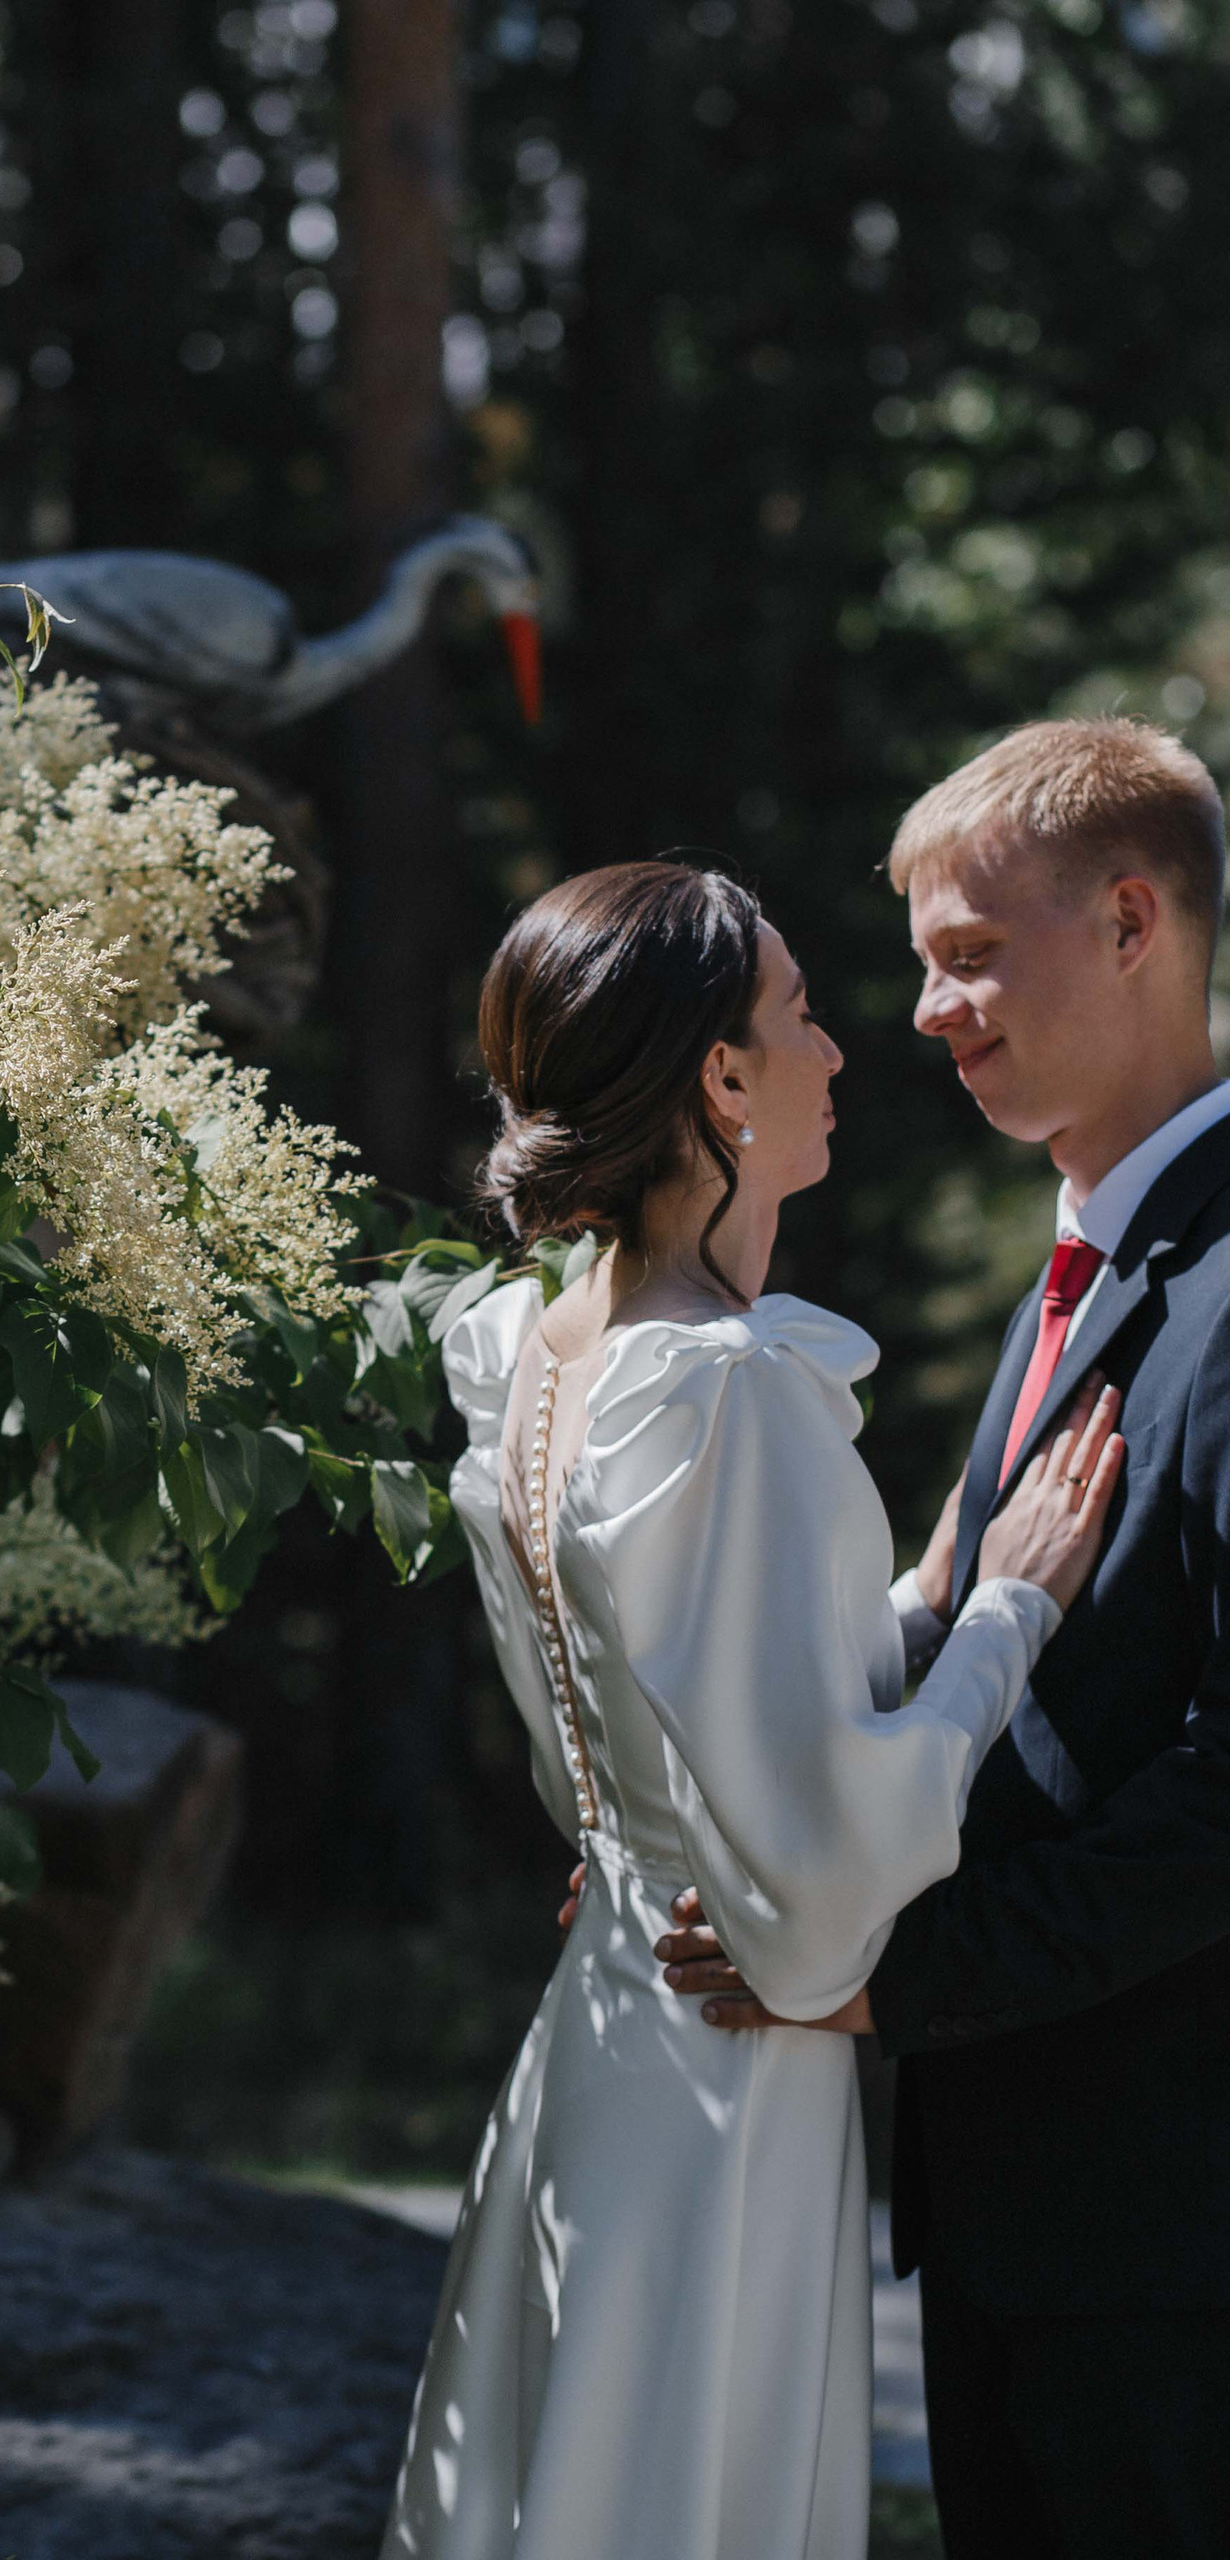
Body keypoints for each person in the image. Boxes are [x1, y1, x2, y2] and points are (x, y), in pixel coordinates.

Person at [380, 859, 1123, 2560]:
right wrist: (1011, 1608)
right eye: (798, 1015)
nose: (841, 1051)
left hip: (608, 2016)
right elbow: (829, 1863)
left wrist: (922, 1602)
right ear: (720, 1080)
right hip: (725, 2060)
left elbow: (686, 1694)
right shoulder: (723, 1390)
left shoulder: (540, 1345)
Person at [652, 719, 1230, 2558]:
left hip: (1174, 2236)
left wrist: (893, 1980)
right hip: (1017, 2208)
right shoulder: (1090, 1261)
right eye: (916, 965)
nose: (927, 1010)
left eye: (969, 953)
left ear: (1133, 922)